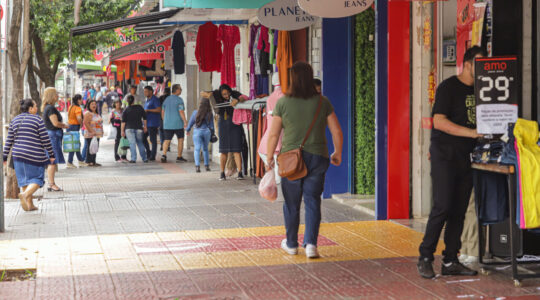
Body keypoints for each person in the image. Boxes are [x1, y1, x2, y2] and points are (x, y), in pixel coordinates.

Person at [417, 46, 486, 279]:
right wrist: (473, 133)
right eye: (479, 64)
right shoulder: (448, 88)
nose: (484, 70)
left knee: (459, 211)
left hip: (468, 157)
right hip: (445, 156)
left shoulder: (483, 90)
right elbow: (438, 121)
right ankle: (425, 256)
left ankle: (450, 260)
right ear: (467, 64)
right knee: (443, 206)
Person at [266, 61, 343, 259]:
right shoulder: (322, 102)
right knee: (312, 201)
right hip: (318, 157)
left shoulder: (283, 102)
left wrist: (269, 158)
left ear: (292, 80)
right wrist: (337, 152)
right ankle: (311, 245)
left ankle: (291, 244)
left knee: (291, 203)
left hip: (291, 159)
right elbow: (336, 130)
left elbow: (273, 134)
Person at [3, 99, 55, 211]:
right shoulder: (37, 120)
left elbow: (9, 141)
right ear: (30, 108)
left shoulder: (14, 120)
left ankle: (29, 204)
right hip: (34, 156)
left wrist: (4, 156)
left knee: (24, 180)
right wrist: (51, 153)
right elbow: (45, 139)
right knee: (37, 179)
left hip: (18, 156)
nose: (37, 108)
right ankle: (25, 195)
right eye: (35, 106)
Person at [201, 84, 247, 181]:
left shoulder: (235, 94)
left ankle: (240, 172)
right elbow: (216, 109)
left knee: (236, 149)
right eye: (224, 94)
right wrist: (210, 96)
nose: (226, 95)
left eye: (227, 93)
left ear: (230, 91)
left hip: (235, 122)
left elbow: (244, 97)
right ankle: (222, 173)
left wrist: (237, 100)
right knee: (223, 150)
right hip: (223, 123)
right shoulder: (216, 96)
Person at [259, 73, 284, 184]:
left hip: (271, 126)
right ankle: (278, 175)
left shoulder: (271, 97)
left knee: (264, 151)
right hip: (282, 127)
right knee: (276, 153)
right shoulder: (284, 96)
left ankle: (274, 172)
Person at [41, 87, 68, 192]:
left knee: (51, 161)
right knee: (52, 161)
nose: (57, 96)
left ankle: (51, 183)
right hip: (53, 136)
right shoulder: (51, 108)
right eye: (56, 94)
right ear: (51, 95)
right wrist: (64, 125)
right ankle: (51, 184)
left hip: (51, 135)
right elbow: (55, 123)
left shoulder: (47, 108)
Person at [186, 98, 214, 173]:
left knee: (197, 149)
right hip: (207, 132)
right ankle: (207, 166)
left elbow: (191, 123)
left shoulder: (195, 112)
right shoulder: (210, 113)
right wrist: (213, 133)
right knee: (205, 149)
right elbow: (211, 126)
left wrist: (188, 130)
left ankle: (197, 166)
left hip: (197, 132)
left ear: (200, 104)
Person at [161, 84, 187, 163]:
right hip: (178, 124)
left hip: (167, 124)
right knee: (180, 139)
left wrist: (164, 120)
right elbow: (181, 111)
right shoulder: (179, 100)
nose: (181, 90)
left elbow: (162, 111)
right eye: (180, 89)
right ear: (177, 90)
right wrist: (185, 122)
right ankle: (179, 157)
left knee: (167, 140)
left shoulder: (166, 99)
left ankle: (164, 155)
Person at [121, 95, 148, 163]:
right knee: (140, 143)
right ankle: (144, 158)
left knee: (132, 143)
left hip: (129, 129)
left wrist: (122, 131)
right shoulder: (139, 107)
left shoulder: (126, 110)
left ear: (127, 101)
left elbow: (123, 122)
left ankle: (133, 159)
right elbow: (145, 118)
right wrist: (145, 127)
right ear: (134, 100)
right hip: (139, 128)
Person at [66, 94, 87, 168]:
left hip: (69, 126)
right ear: (78, 100)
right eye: (81, 99)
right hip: (74, 127)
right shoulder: (78, 108)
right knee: (74, 144)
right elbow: (79, 118)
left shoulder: (71, 106)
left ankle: (80, 160)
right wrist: (81, 124)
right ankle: (69, 162)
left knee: (76, 144)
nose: (82, 101)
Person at [83, 100, 104, 167]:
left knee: (95, 147)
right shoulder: (88, 113)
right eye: (92, 104)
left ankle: (93, 161)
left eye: (95, 104)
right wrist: (92, 131)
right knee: (90, 147)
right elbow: (86, 123)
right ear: (89, 105)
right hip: (90, 134)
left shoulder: (96, 113)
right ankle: (89, 161)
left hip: (97, 134)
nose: (94, 105)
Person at [143, 86, 162, 161]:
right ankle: (149, 152)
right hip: (147, 123)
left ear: (151, 91)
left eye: (146, 91)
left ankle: (153, 155)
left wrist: (148, 110)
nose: (145, 93)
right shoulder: (147, 100)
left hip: (153, 123)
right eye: (144, 91)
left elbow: (159, 109)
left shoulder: (155, 99)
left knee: (153, 140)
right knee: (143, 138)